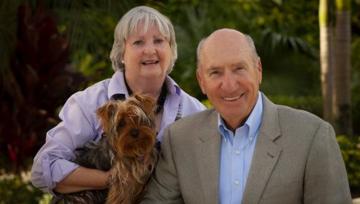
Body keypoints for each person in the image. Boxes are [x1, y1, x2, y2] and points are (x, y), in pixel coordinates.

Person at [141, 28, 352, 204]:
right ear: (201, 81)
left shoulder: (312, 136)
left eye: (239, 68)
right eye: (215, 72)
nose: (230, 85)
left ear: (258, 70)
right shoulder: (179, 139)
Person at [31, 6, 205, 195]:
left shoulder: (194, 111)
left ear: (171, 50)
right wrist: (112, 179)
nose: (150, 50)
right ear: (122, 54)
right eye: (138, 42)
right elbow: (44, 168)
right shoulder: (89, 103)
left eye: (159, 41)